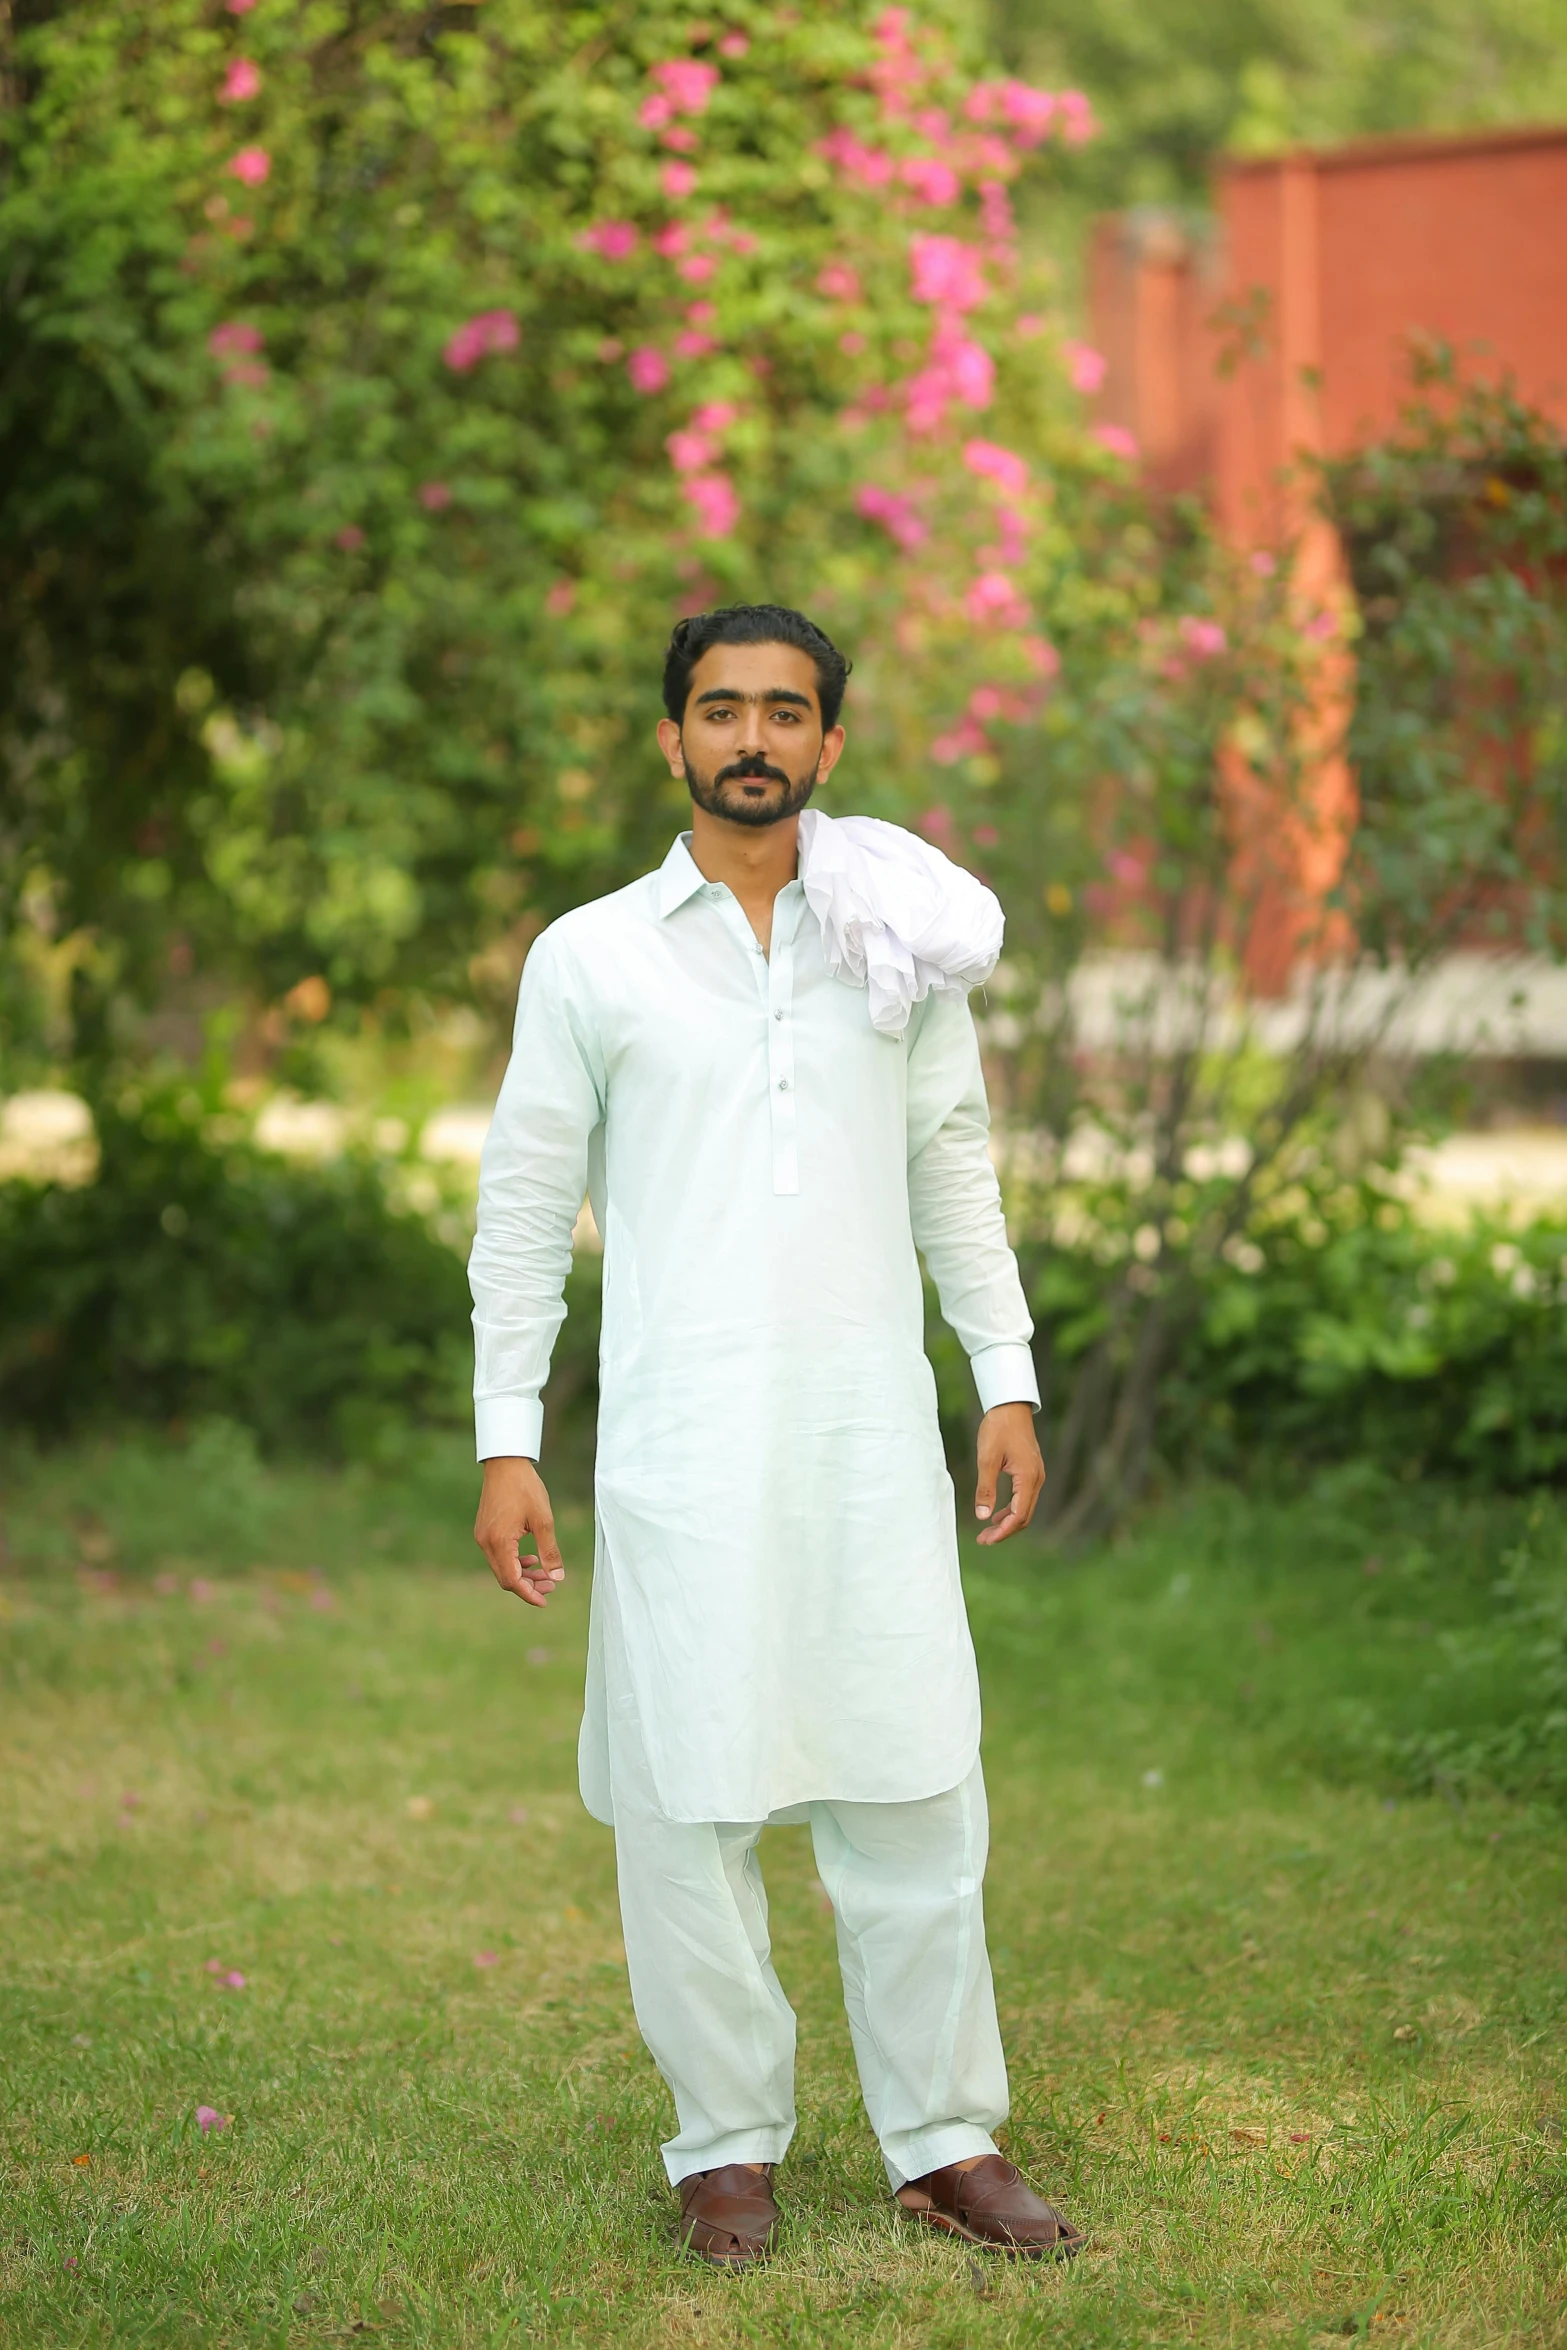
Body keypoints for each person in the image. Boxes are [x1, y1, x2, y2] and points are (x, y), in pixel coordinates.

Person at [470, 602, 1082, 2267]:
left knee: (911, 1776)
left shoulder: (895, 939)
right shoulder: (592, 953)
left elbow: (953, 1159)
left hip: (868, 1431)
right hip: (678, 1441)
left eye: (785, 710)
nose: (752, 736)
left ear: (831, 735)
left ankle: (945, 2135)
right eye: (720, 708)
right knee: (685, 1795)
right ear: (672, 737)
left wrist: (1002, 1370)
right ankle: (724, 2142)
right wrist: (505, 1435)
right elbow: (524, 1205)